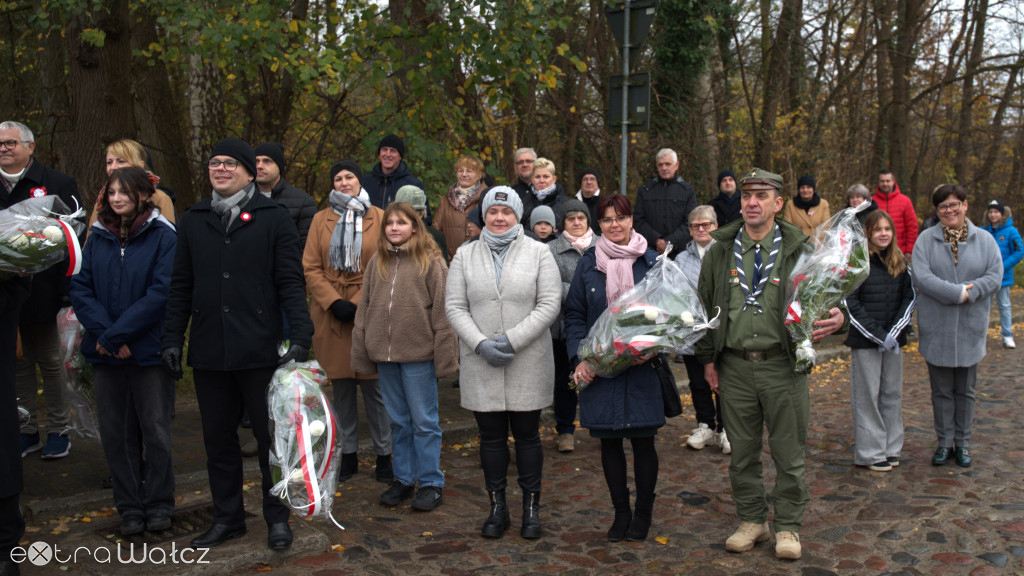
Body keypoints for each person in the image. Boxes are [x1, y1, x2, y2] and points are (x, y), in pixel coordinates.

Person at [161, 137, 314, 550]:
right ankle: (227, 518)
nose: (221, 169)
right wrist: (172, 338)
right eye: (215, 163)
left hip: (260, 350)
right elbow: (180, 286)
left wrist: (300, 336)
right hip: (211, 350)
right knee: (218, 443)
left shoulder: (273, 217)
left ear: (249, 172)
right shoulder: (193, 219)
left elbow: (290, 282)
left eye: (231, 164)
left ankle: (277, 518)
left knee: (271, 444)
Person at [696, 168, 846, 561]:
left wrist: (839, 315)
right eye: (747, 195)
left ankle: (789, 527)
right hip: (735, 367)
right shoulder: (720, 252)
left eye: (761, 195)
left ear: (778, 204)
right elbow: (706, 307)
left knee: (788, 451)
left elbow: (828, 293)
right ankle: (752, 520)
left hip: (783, 366)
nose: (751, 202)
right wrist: (708, 360)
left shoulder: (801, 250)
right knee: (742, 452)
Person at [446, 186, 560, 540]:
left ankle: (530, 508)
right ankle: (497, 507)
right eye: (492, 212)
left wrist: (512, 339)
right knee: (491, 439)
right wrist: (480, 344)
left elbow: (549, 304)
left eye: (506, 212)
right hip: (482, 362)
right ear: (483, 216)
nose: (498, 218)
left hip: (527, 360)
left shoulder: (539, 252)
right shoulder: (465, 256)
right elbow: (454, 306)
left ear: (517, 216)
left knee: (528, 437)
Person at [71, 167, 177, 535]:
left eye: (124, 192)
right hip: (106, 353)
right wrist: (107, 337)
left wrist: (118, 336)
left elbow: (160, 294)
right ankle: (129, 506)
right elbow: (81, 288)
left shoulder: (163, 236)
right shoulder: (97, 236)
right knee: (116, 435)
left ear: (144, 195)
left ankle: (161, 503)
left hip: (146, 352)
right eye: (111, 192)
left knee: (155, 431)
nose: (116, 198)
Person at [565, 194, 664, 542]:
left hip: (641, 369)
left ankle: (644, 513)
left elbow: (667, 315)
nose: (615, 225)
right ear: (599, 225)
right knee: (609, 443)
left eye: (620, 217)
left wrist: (652, 347)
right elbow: (575, 314)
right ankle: (621, 511)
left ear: (631, 219)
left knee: (642, 441)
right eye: (607, 220)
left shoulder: (651, 262)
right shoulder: (589, 263)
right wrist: (581, 358)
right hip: (600, 370)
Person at [350, 202, 459, 511]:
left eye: (401, 222)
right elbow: (365, 308)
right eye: (389, 223)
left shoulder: (431, 261)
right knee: (397, 421)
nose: (394, 228)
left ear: (415, 226)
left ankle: (430, 483)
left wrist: (445, 356)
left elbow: (443, 312)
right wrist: (362, 347)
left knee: (424, 421)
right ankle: (403, 479)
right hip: (386, 357)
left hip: (418, 356)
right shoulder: (377, 263)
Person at [303, 159, 394, 484]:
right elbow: (311, 267)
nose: (344, 182)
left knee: (376, 390)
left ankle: (385, 454)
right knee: (340, 390)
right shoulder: (320, 219)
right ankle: (348, 454)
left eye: (349, 176)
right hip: (331, 315)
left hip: (370, 309)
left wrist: (356, 302)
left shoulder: (380, 217)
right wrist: (333, 302)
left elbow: (386, 262)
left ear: (359, 181)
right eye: (338, 178)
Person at [1, 120, 81, 460]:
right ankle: (26, 429)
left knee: (50, 361)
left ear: (30, 147)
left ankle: (59, 429)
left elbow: (73, 238)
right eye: (0, 144)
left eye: (10, 143)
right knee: (17, 362)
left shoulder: (57, 183)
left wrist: (67, 292)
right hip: (5, 293)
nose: (4, 148)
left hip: (47, 290)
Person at [913, 184, 1002, 468]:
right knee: (940, 391)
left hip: (970, 327)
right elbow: (922, 277)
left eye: (953, 205)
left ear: (964, 205)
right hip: (936, 326)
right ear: (937, 211)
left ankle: (962, 444)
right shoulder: (925, 240)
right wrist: (956, 293)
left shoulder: (985, 240)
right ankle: (943, 442)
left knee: (965, 390)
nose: (948, 211)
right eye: (942, 207)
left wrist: (971, 292)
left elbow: (994, 276)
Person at [842, 210, 916, 472]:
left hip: (893, 340)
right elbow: (850, 303)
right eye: (877, 229)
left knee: (892, 394)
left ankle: (891, 447)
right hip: (866, 340)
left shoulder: (901, 263)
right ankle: (871, 451)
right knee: (867, 396)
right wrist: (878, 334)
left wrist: (894, 332)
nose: (883, 233)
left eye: (887, 229)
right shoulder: (858, 263)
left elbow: (909, 298)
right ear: (868, 233)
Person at [675, 206, 729, 455]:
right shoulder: (681, 259)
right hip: (692, 331)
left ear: (715, 226)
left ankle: (726, 428)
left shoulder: (728, 254)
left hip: (722, 331)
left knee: (723, 382)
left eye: (706, 224)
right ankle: (705, 424)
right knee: (698, 383)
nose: (701, 229)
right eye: (695, 225)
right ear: (689, 229)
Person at [547, 199, 595, 454]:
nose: (577, 223)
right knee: (565, 381)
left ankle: (601, 423)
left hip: (598, 325)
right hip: (562, 326)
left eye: (581, 218)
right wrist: (585, 291)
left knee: (599, 377)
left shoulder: (603, 245)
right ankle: (565, 430)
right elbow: (548, 287)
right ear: (562, 223)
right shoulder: (551, 250)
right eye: (570, 219)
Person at [89, 139, 175, 227]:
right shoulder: (102, 200)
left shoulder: (159, 198)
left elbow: (166, 237)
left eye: (121, 161)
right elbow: (91, 238)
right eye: (109, 162)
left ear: (140, 165)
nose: (113, 167)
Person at [633, 148, 697, 258]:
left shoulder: (687, 191)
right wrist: (657, 241)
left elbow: (691, 222)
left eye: (668, 164)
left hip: (680, 253)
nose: (664, 168)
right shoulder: (645, 190)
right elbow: (638, 221)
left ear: (676, 165)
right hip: (650, 252)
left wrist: (670, 242)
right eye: (660, 165)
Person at [253, 142, 317, 250]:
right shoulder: (243, 198)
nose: (259, 166)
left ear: (279, 166)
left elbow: (307, 249)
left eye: (267, 161)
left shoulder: (303, 202)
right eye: (256, 161)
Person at [362, 134, 430, 223]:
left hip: (400, 235)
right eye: (384, 150)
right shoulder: (365, 182)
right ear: (379, 153)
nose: (387, 154)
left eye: (393, 151)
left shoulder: (412, 184)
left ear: (400, 156)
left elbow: (425, 219)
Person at [982, 199, 1022, 349]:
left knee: (1004, 306)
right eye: (990, 212)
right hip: (985, 277)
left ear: (1002, 214)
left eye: (996, 212)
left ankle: (1007, 335)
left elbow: (1019, 251)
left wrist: (1002, 267)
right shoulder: (983, 230)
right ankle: (981, 335)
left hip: (1003, 277)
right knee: (984, 307)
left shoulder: (1011, 231)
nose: (993, 215)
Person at [433, 155, 485, 260]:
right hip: (450, 262)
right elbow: (435, 232)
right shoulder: (446, 200)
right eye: (460, 171)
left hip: (478, 260)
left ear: (479, 175)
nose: (464, 174)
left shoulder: (487, 198)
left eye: (469, 171)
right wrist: (446, 259)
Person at [396, 185, 448, 263]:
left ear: (421, 214)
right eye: (403, 212)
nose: (406, 216)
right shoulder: (390, 234)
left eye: (411, 212)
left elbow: (443, 271)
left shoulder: (436, 237)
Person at [873, 170, 918, 258]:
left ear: (893, 181)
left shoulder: (905, 201)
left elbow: (912, 227)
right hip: (876, 251)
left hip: (899, 250)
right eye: (882, 181)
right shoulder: (872, 202)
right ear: (878, 182)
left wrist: (910, 249)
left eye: (888, 181)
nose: (885, 184)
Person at [519, 157, 566, 228]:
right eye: (537, 177)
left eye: (546, 177)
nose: (541, 180)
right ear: (532, 179)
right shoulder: (522, 205)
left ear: (554, 179)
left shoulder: (565, 205)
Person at [575, 169, 602, 235]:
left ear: (597, 183)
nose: (589, 182)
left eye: (592, 179)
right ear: (580, 183)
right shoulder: (572, 204)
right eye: (585, 179)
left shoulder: (604, 204)